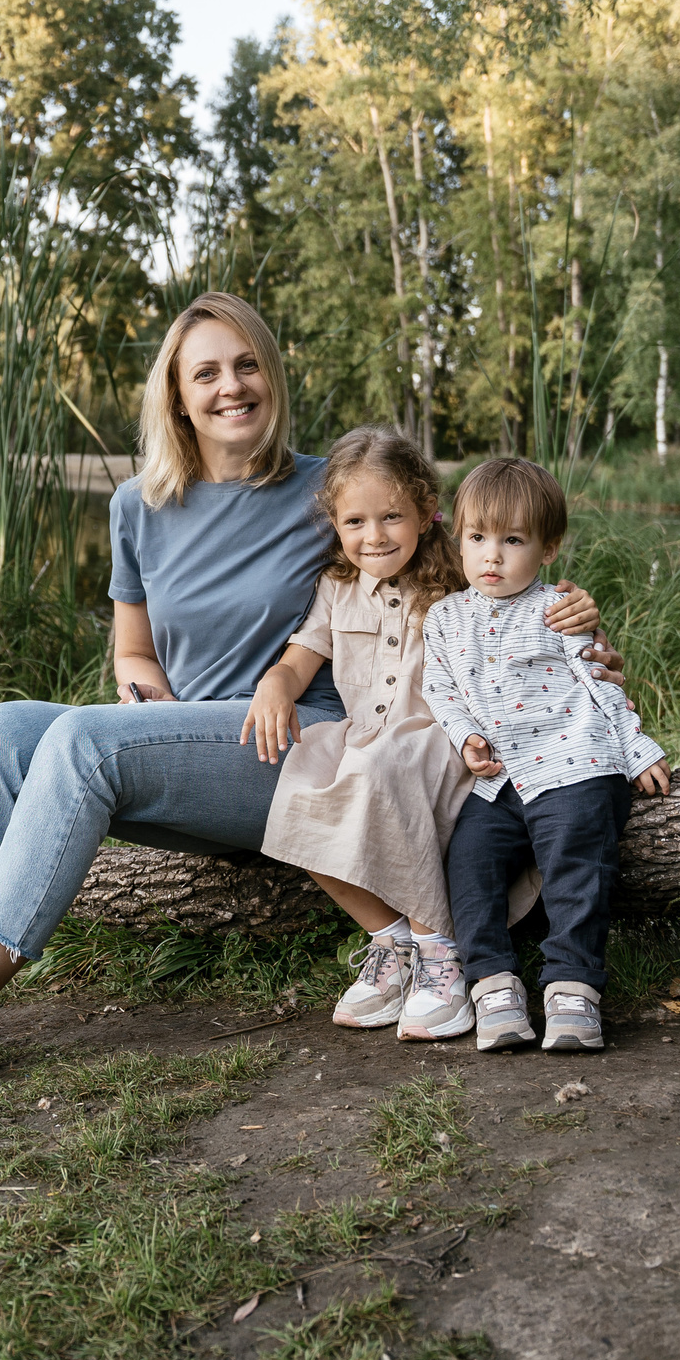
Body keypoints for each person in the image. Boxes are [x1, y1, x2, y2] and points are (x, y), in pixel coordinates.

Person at [0, 293, 610, 1103]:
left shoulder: (332, 492)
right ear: (177, 392)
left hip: (300, 747)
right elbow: (132, 648)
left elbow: (474, 546)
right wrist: (141, 693)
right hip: (183, 742)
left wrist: (573, 621)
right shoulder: (138, 504)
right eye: (206, 371)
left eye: (247, 365)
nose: (230, 385)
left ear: (272, 376)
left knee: (86, 745)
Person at [241, 426, 541, 1042]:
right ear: (335, 523)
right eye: (355, 522)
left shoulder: (460, 578)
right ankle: (391, 941)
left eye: (391, 517)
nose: (373, 537)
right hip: (367, 734)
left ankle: (442, 957)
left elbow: (525, 604)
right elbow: (304, 653)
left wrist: (577, 617)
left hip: (444, 736)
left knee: (384, 769)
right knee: (299, 781)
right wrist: (276, 681)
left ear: (427, 513)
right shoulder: (337, 587)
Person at [424, 456, 671, 1054]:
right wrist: (464, 737)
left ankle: (572, 984)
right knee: (470, 858)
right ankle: (493, 983)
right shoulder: (445, 618)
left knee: (577, 860)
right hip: (500, 777)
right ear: (459, 539)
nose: (492, 557)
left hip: (574, 764)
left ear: (548, 548)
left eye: (513, 541)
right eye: (478, 539)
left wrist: (636, 749)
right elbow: (441, 688)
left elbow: (598, 686)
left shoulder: (556, 612)